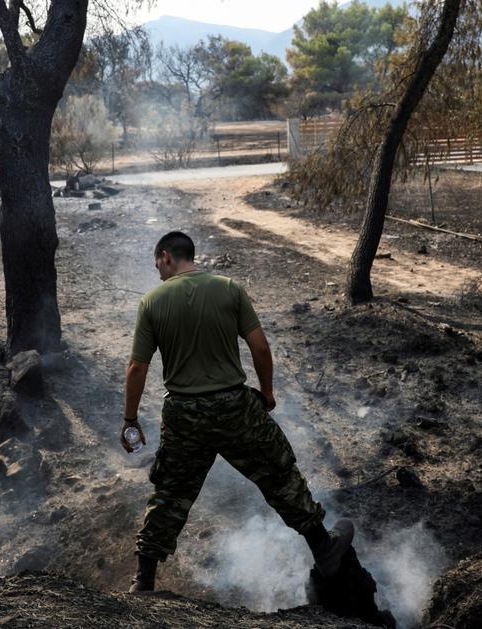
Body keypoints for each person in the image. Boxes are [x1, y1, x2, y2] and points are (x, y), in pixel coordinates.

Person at [120, 230, 354, 593]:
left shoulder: (151, 302)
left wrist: (130, 419)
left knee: (170, 494)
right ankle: (324, 549)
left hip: (183, 415)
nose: (158, 273)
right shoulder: (230, 288)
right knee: (279, 476)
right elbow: (260, 347)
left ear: (166, 256)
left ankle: (144, 580)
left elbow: (137, 368)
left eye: (158, 265)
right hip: (236, 408)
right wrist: (268, 392)